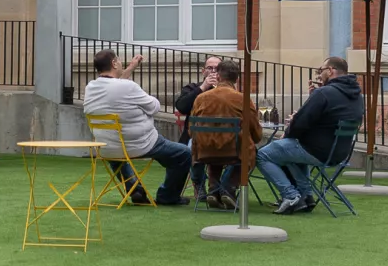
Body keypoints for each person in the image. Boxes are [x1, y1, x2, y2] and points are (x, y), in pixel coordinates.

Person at [82, 50, 193, 205]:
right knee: (184, 153)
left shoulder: (90, 88)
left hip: (107, 148)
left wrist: (130, 68)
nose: (121, 63)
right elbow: (155, 107)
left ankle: (135, 190)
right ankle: (167, 196)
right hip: (142, 144)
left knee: (117, 153)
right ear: (114, 63)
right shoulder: (129, 87)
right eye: (118, 60)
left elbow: (114, 86)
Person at [257, 57, 365, 214]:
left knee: (262, 155)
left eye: (321, 70)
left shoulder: (324, 93)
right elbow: (327, 119)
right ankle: (306, 196)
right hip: (339, 153)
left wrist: (288, 132)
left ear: (330, 71)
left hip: (315, 150)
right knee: (289, 152)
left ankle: (290, 195)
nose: (319, 75)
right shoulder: (356, 96)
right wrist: (313, 98)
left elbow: (301, 123)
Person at [187, 59, 261, 209]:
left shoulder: (200, 98)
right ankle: (228, 189)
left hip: (203, 151)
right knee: (247, 151)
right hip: (233, 151)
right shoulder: (242, 99)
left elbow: (191, 130)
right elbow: (256, 133)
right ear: (237, 79)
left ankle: (213, 189)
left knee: (216, 150)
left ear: (218, 76)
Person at [175, 54, 224, 200]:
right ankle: (199, 184)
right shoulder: (192, 88)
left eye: (217, 68)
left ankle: (222, 188)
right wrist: (203, 87)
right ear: (203, 71)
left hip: (224, 137)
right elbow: (182, 107)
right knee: (192, 148)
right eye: (210, 68)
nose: (213, 72)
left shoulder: (229, 91)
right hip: (195, 137)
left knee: (242, 151)